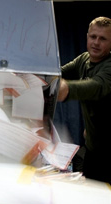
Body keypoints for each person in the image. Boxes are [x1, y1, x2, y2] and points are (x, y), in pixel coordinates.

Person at [58, 16, 111, 184]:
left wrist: (67, 89)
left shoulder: (109, 66)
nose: (96, 42)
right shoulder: (84, 59)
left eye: (103, 39)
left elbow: (96, 86)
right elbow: (58, 73)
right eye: (93, 36)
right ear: (87, 36)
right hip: (93, 148)